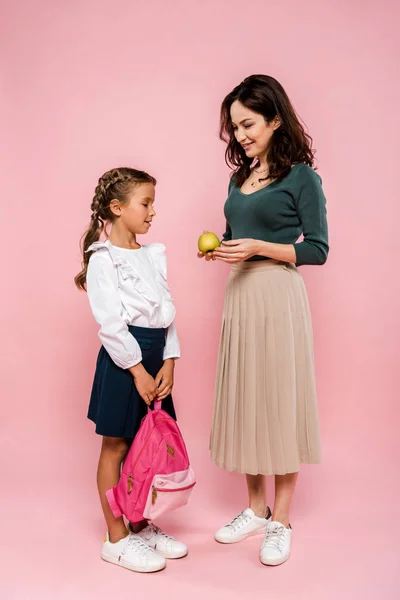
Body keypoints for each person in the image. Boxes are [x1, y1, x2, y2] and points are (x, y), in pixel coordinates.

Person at [199, 75, 329, 566]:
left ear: (276, 119)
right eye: (235, 127)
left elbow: (316, 249)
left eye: (248, 124)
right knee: (248, 396)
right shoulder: (238, 179)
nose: (241, 135)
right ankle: (255, 508)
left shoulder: (302, 178)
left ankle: (282, 521)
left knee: (279, 398)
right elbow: (238, 233)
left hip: (278, 297)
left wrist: (257, 248)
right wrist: (226, 249)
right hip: (241, 295)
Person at [75, 167, 187, 573]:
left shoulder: (153, 254)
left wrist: (170, 361)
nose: (153, 212)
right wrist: (138, 371)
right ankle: (116, 536)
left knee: (149, 444)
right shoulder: (104, 259)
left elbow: (166, 313)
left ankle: (139, 522)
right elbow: (111, 324)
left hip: (156, 362)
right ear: (117, 208)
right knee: (118, 446)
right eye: (146, 203)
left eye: (153, 202)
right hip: (126, 363)